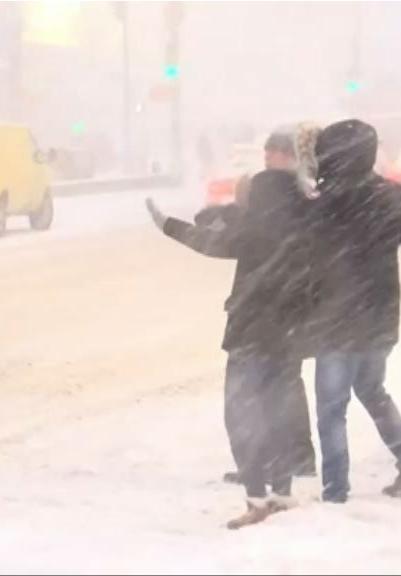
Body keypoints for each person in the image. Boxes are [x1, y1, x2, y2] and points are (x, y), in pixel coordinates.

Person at [146, 127, 319, 529]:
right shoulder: (311, 209)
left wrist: (169, 225)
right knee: (279, 410)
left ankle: (257, 497)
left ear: (276, 156)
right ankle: (281, 491)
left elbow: (212, 243)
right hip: (291, 330)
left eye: (271, 151)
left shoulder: (260, 211)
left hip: (252, 328)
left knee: (242, 413)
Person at [310, 119, 401, 503]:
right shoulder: (384, 194)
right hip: (378, 314)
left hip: (336, 318)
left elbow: (302, 249)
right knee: (372, 391)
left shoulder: (328, 201)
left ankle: (335, 490)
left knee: (332, 408)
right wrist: (383, 231)